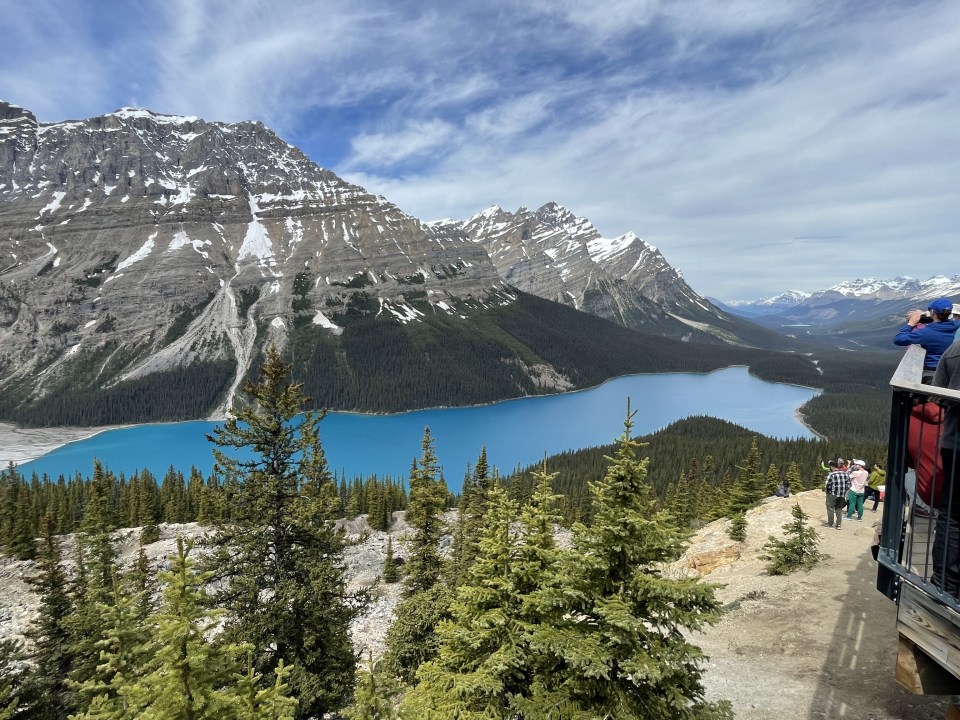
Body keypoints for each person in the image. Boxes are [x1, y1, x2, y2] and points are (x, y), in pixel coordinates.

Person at [893, 297, 960, 383]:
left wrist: (910, 324)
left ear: (932, 312)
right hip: (954, 369)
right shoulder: (957, 325)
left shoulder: (925, 332)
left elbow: (899, 339)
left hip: (932, 370)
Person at [824, 459, 852, 530]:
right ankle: (838, 524)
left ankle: (830, 523)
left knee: (830, 508)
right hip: (842, 494)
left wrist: (827, 492)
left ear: (831, 467)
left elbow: (827, 485)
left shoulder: (831, 474)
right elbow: (849, 485)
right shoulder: (845, 474)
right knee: (839, 509)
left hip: (832, 494)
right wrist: (844, 490)